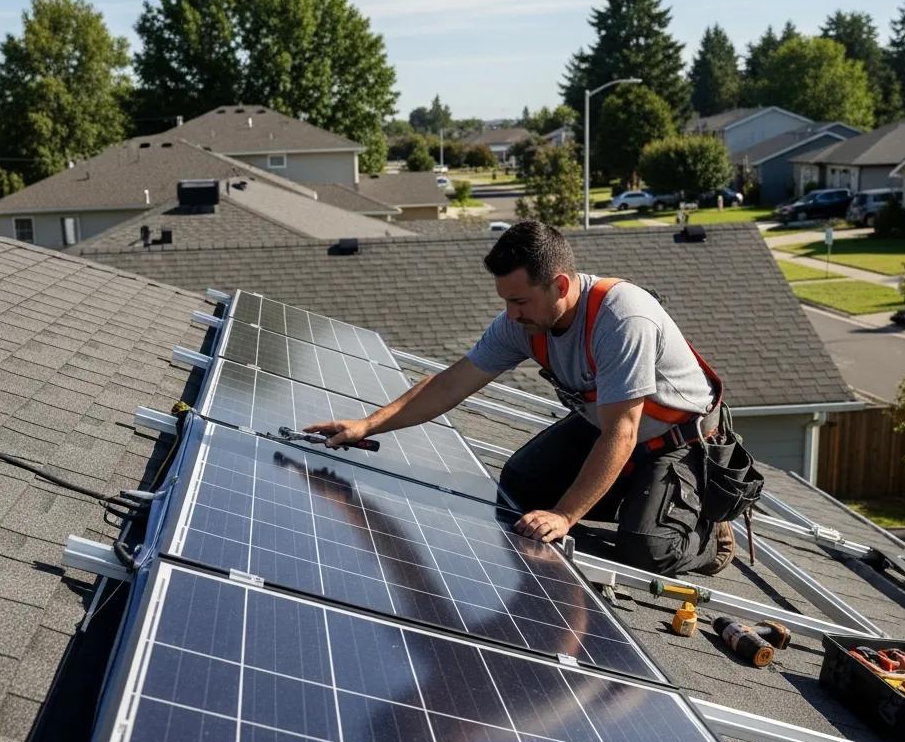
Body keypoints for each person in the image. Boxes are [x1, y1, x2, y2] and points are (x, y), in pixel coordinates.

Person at [305, 220, 735, 576]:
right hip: (607, 426)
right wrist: (367, 425)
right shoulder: (523, 322)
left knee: (646, 549)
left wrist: (565, 517)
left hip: (678, 443)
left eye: (519, 300)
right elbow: (453, 382)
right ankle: (639, 503)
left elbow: (623, 431)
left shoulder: (622, 319)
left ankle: (706, 534)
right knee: (520, 487)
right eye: (506, 301)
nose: (511, 314)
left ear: (560, 284)